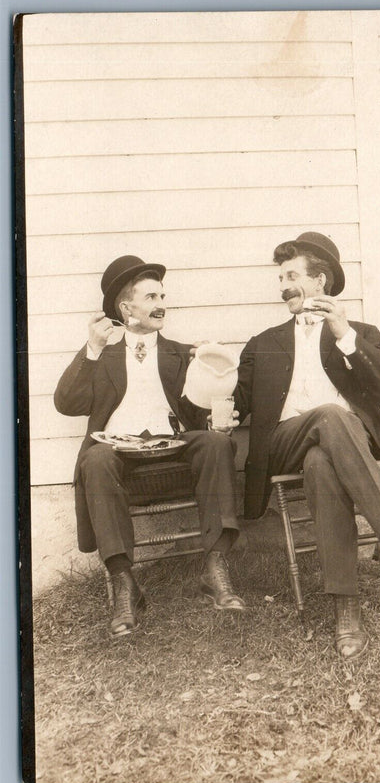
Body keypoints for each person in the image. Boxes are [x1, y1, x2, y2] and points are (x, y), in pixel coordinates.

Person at [233, 232, 380, 661]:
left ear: (321, 280)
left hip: (340, 447)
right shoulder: (263, 343)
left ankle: (346, 608)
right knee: (330, 415)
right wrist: (211, 384)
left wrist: (345, 334)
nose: (282, 287)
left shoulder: (360, 332)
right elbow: (233, 402)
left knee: (321, 464)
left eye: (291, 275)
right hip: (283, 442)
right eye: (280, 278)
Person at [54, 255, 245, 638]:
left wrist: (214, 372)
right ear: (127, 308)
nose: (162, 303)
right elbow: (67, 404)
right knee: (94, 457)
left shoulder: (181, 352)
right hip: (120, 465)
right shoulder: (102, 356)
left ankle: (215, 569)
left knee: (215, 443)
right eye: (151, 296)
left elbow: (209, 404)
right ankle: (125, 585)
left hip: (174, 456)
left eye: (163, 295)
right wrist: (90, 350)